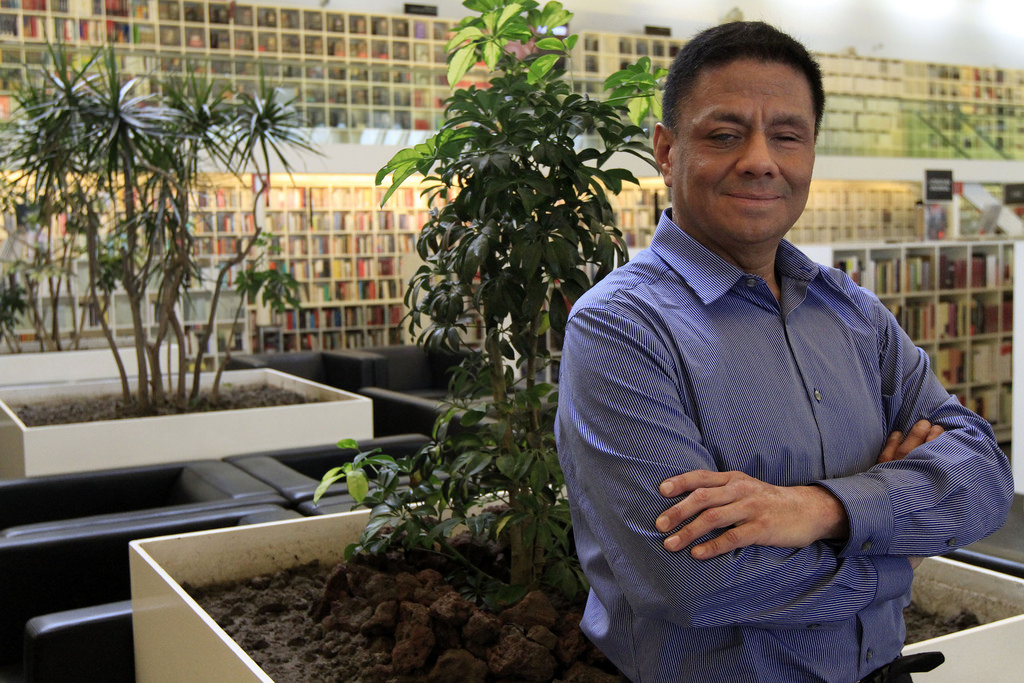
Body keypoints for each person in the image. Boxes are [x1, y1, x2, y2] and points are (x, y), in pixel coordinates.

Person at [555, 20, 1014, 683]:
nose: (760, 160)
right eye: (724, 134)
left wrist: (820, 511)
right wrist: (901, 552)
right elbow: (696, 583)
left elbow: (985, 475)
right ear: (666, 151)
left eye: (788, 136)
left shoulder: (853, 312)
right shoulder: (621, 328)